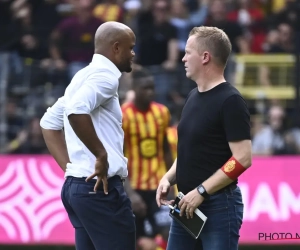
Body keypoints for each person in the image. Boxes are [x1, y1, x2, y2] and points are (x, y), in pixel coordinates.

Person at [40, 21, 136, 250]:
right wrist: (100, 155)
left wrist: (72, 169)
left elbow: (49, 123)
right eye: (130, 47)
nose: (133, 53)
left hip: (78, 188)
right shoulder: (106, 77)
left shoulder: (82, 75)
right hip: (100, 191)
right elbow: (76, 111)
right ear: (115, 48)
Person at [156, 26, 252, 250]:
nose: (183, 58)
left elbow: (242, 158)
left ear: (205, 57)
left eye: (188, 52)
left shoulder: (231, 101)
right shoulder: (192, 96)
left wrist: (201, 191)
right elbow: (190, 150)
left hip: (219, 207)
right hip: (185, 206)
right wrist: (168, 178)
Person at [121, 68, 173, 249]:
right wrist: (131, 194)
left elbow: (166, 150)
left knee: (169, 233)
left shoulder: (162, 113)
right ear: (134, 87)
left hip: (159, 187)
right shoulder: (123, 115)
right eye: (145, 88)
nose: (150, 92)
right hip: (134, 188)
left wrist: (171, 184)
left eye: (152, 88)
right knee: (137, 242)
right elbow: (118, 158)